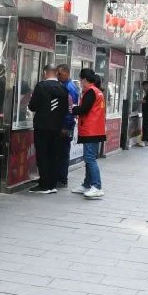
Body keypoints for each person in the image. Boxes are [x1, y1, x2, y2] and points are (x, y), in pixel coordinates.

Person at [27, 64, 70, 194]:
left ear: (45, 72)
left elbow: (32, 106)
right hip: (57, 127)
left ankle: (44, 184)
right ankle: (52, 184)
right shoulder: (63, 89)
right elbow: (64, 110)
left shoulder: (41, 86)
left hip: (42, 126)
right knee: (53, 155)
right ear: (56, 73)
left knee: (42, 155)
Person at [71, 69, 106, 199]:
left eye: (80, 79)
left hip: (91, 130)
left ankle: (96, 186)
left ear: (85, 79)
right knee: (89, 158)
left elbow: (84, 109)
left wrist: (72, 108)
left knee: (90, 158)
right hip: (94, 129)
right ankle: (87, 184)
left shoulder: (91, 91)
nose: (80, 82)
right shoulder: (97, 91)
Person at [56, 64, 80, 187]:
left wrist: (66, 126)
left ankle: (62, 178)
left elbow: (70, 110)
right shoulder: (64, 86)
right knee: (60, 151)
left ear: (66, 73)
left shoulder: (69, 88)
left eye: (59, 73)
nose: (57, 76)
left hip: (66, 126)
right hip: (64, 124)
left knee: (63, 151)